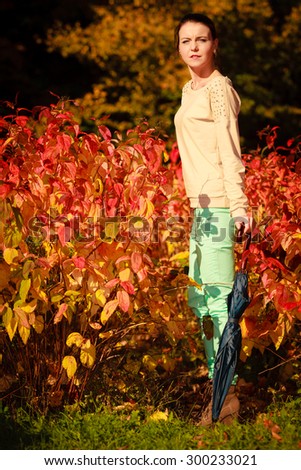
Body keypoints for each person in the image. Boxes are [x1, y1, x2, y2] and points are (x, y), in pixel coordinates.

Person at [174, 13, 250, 425]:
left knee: (219, 305)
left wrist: (239, 207)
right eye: (187, 41)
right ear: (179, 48)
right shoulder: (190, 90)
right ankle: (218, 390)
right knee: (202, 302)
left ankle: (226, 398)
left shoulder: (219, 90)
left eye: (202, 39)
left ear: (214, 44)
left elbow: (229, 152)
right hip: (200, 208)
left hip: (220, 206)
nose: (194, 47)